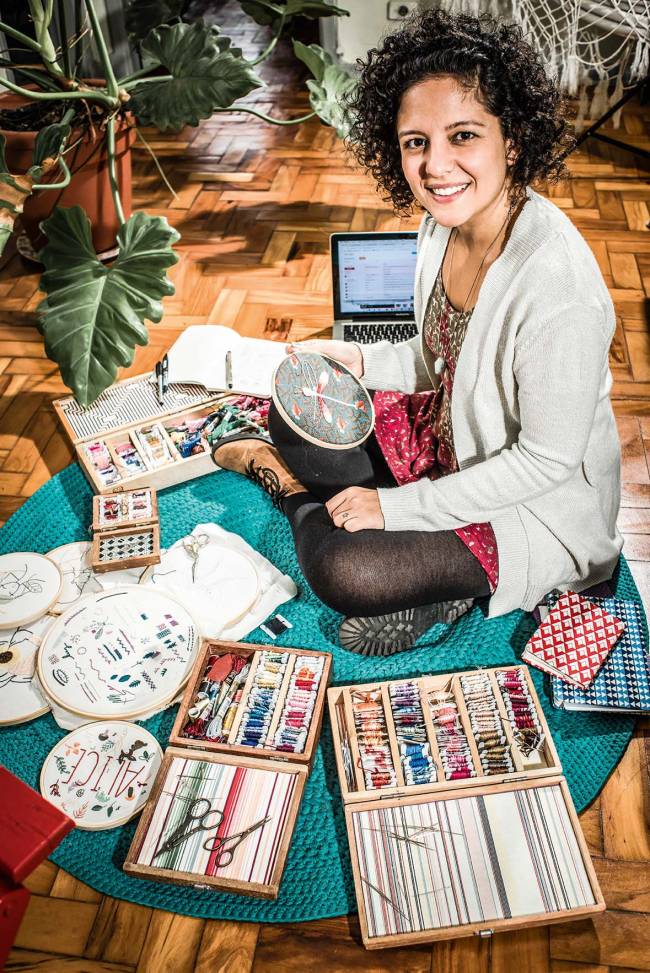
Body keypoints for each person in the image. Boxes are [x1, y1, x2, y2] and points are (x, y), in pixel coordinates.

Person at [212, 7, 622, 655]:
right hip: (451, 432)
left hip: (527, 503)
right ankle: (431, 574)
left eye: (463, 136)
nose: (435, 166)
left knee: (346, 569)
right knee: (295, 406)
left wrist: (396, 512)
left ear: (511, 139)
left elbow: (545, 462)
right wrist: (353, 359)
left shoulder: (558, 290)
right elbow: (438, 360)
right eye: (415, 142)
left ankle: (289, 490)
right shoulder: (446, 219)